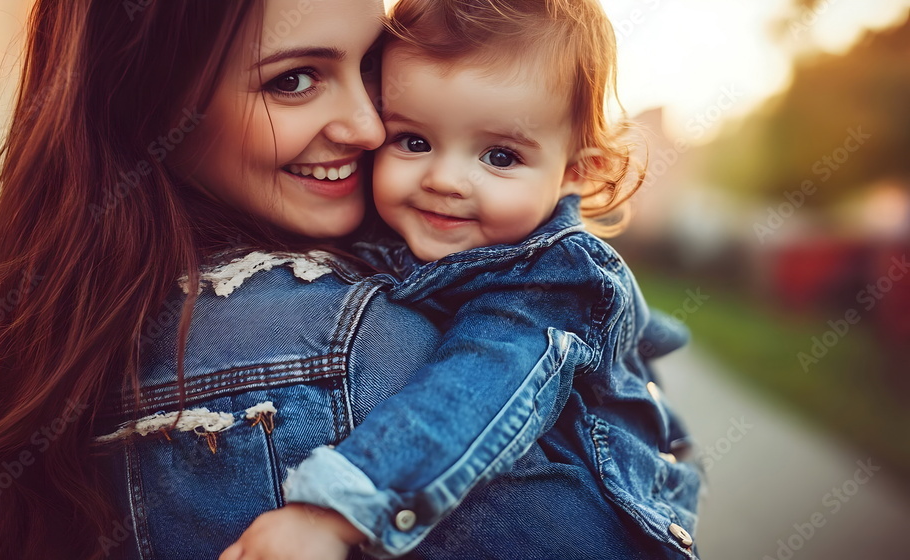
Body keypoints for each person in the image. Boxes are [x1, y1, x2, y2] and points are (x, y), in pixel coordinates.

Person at [0, 1, 696, 560]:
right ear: (149, 106)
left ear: (579, 172)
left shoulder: (23, 344)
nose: (367, 126)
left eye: (366, 69)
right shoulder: (355, 352)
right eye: (293, 80)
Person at [224, 0, 702, 559]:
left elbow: (477, 388)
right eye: (414, 141)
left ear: (576, 170)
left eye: (499, 156)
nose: (447, 179)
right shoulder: (409, 224)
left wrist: (335, 511)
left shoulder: (553, 277)